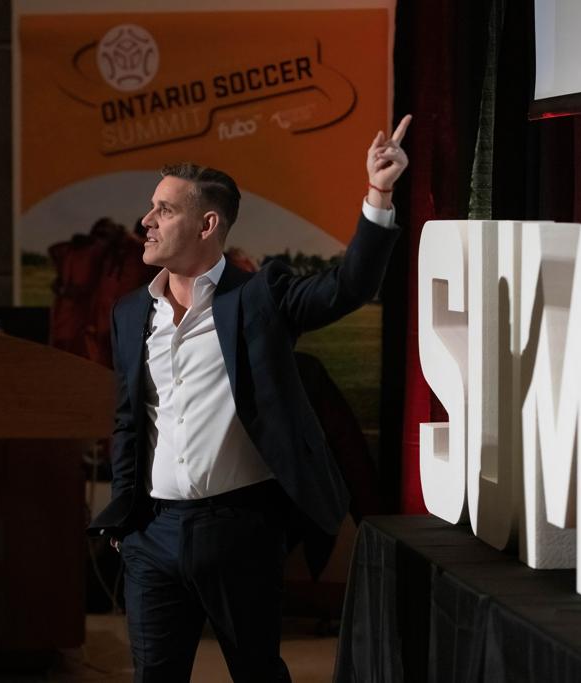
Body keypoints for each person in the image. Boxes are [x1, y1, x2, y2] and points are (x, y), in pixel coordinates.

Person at [87, 114, 412, 682]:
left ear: (207, 223)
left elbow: (348, 287)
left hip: (239, 529)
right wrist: (123, 516)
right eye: (151, 208)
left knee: (258, 673)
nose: (147, 220)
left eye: (164, 209)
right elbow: (127, 420)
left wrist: (378, 193)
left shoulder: (261, 297)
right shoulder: (130, 312)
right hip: (151, 536)